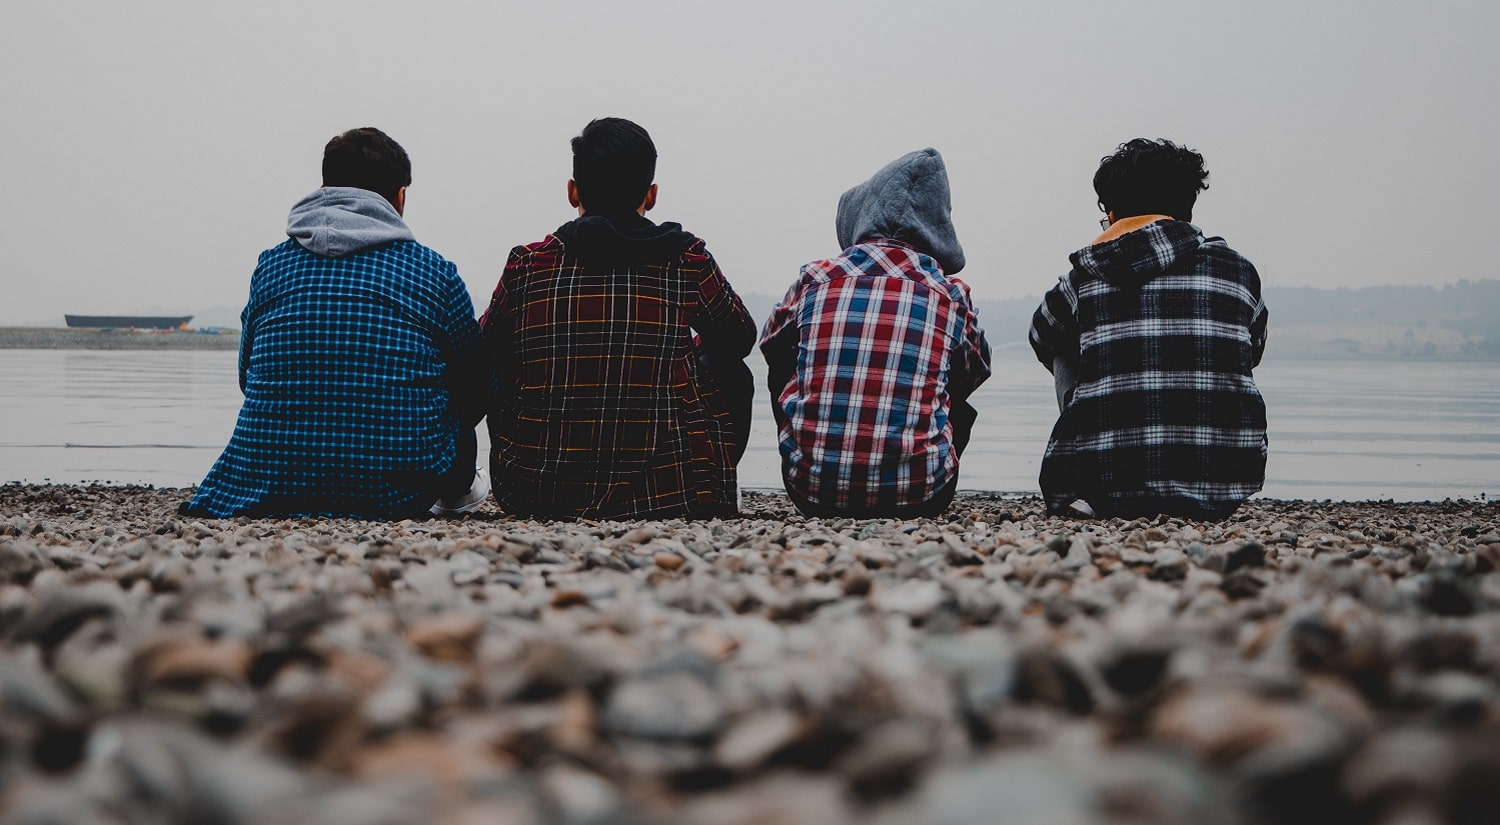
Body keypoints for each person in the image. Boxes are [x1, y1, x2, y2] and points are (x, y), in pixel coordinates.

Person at [183, 127, 494, 520]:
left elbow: (248, 377)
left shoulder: (271, 266)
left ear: (325, 189)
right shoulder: (433, 272)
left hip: (270, 480)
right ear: (400, 197)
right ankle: (455, 492)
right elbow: (477, 388)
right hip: (399, 490)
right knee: (456, 391)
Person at [480, 117, 756, 520]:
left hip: (535, 495)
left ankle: (529, 464)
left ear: (573, 191)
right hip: (671, 494)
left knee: (499, 359)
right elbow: (739, 339)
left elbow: (483, 352)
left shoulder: (528, 264)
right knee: (731, 369)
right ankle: (712, 484)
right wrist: (681, 356)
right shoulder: (686, 260)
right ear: (652, 194)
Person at [1029, 138, 1268, 520]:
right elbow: (1253, 349)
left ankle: (1091, 466)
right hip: (1224, 486)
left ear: (1112, 214)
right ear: (1185, 209)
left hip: (1107, 490)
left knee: (1064, 341)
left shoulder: (1084, 276)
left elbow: (1041, 336)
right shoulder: (1238, 270)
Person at [760, 148, 991, 518]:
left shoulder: (815, 278)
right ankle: (912, 465)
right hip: (920, 497)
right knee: (956, 393)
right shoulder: (951, 295)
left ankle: (814, 455)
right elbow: (974, 373)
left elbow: (770, 347)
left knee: (786, 361)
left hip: (810, 493)